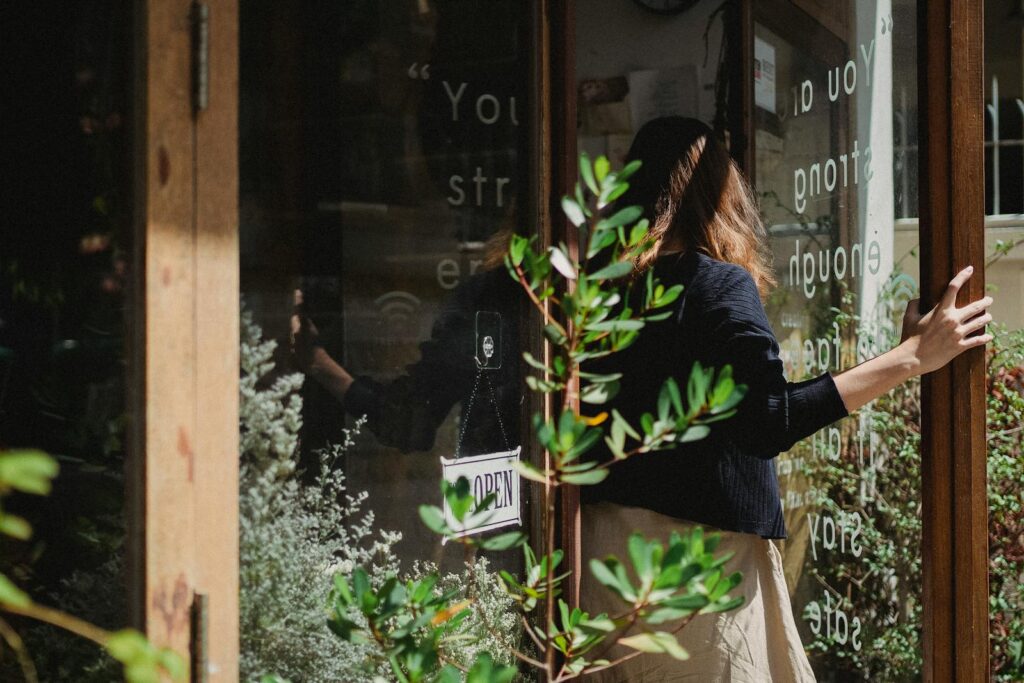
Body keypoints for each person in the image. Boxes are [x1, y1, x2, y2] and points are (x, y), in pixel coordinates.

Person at [578, 117, 994, 682]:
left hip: (603, 551)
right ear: (723, 195)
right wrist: (912, 359)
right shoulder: (718, 284)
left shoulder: (598, 293)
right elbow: (768, 420)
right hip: (694, 567)